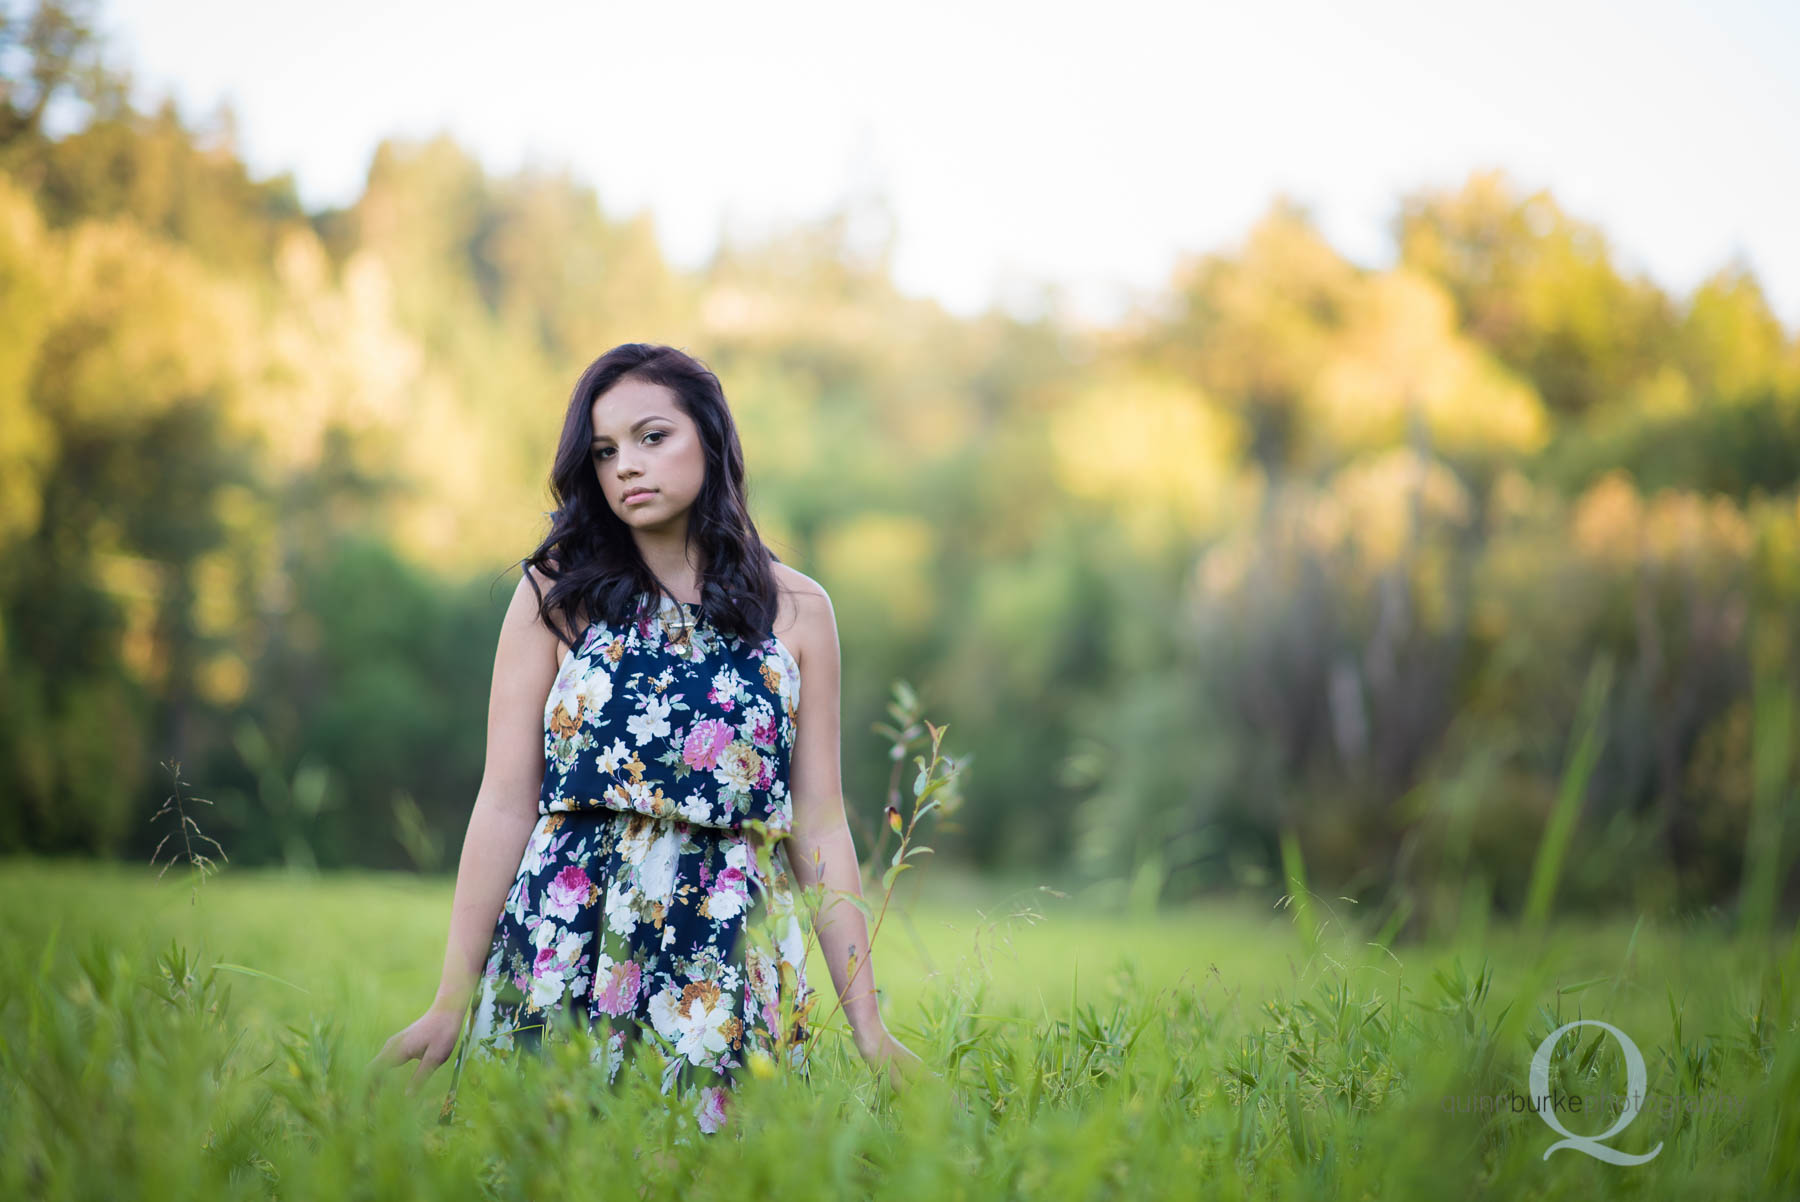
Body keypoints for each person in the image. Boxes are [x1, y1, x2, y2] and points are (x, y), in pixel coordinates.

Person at [372, 342, 926, 1132]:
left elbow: (820, 823)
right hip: (565, 944)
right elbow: (504, 802)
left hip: (724, 959)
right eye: (604, 451)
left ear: (711, 437)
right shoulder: (555, 596)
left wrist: (869, 1027)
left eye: (651, 436)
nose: (625, 465)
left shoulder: (799, 613)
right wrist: (448, 1002)